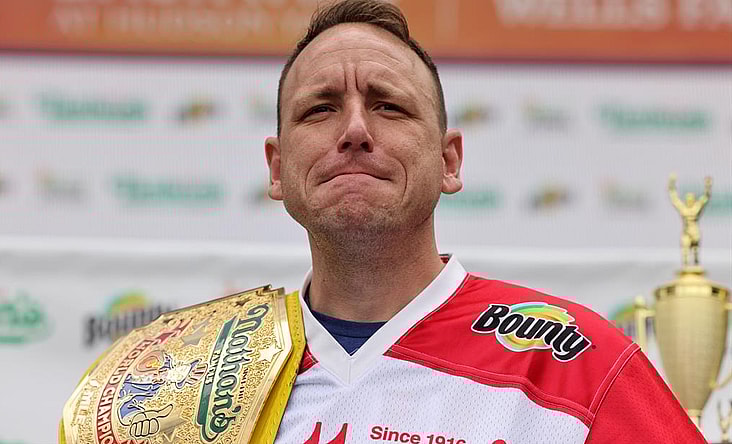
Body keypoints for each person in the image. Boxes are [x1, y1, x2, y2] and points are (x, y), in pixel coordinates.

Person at [263, 1, 707, 443]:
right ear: (278, 168)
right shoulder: (207, 375)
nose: (355, 130)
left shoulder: (583, 368)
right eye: (320, 109)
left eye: (389, 107)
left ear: (448, 161)